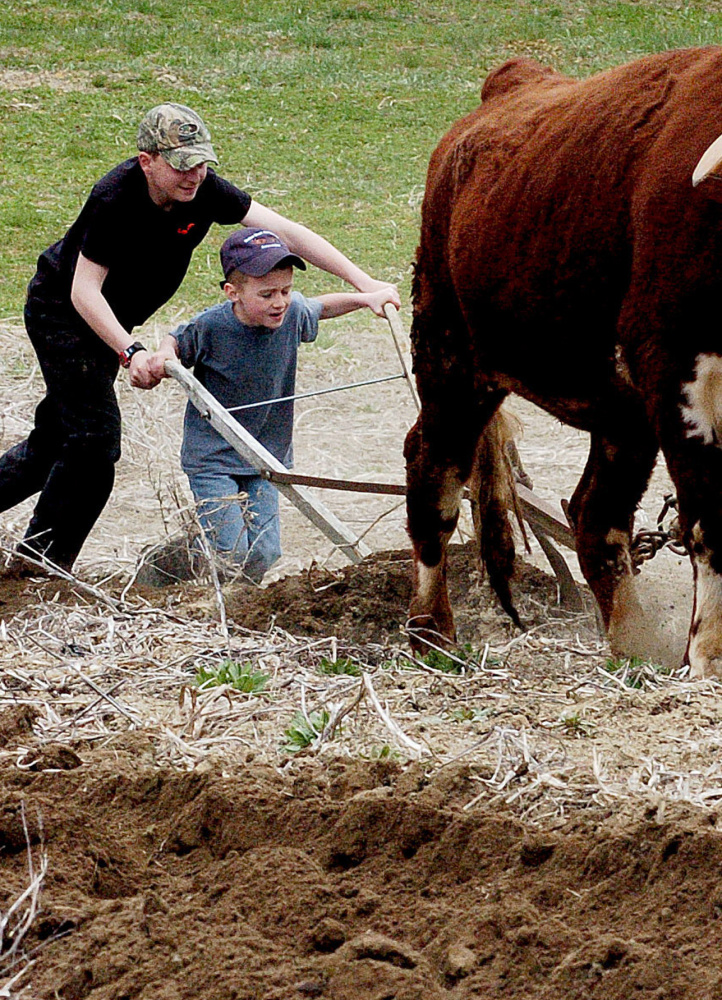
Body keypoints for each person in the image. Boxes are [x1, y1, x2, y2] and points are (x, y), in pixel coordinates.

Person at [0, 103, 398, 573]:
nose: (195, 174)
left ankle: (33, 561)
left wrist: (364, 283)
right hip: (64, 315)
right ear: (147, 161)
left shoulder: (204, 191)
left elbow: (287, 231)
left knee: (55, 438)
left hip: (112, 316)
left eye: (202, 161)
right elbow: (82, 290)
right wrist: (131, 352)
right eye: (181, 164)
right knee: (93, 439)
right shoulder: (115, 197)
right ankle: (41, 565)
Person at [147, 227, 397, 582]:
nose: (279, 302)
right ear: (232, 293)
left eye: (285, 290)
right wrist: (162, 356)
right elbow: (175, 340)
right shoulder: (212, 327)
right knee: (231, 551)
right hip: (213, 458)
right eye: (267, 294)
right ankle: (172, 566)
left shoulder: (291, 314)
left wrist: (365, 298)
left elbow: (321, 307)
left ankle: (236, 598)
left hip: (268, 454)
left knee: (265, 551)